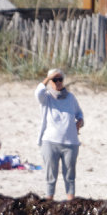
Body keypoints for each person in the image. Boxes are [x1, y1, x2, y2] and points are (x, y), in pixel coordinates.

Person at [35, 68, 84, 200]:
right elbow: (37, 92)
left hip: (71, 143)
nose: (57, 82)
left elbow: (79, 113)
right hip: (50, 142)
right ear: (50, 81)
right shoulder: (46, 97)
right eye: (54, 80)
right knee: (51, 175)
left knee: (70, 175)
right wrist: (48, 77)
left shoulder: (71, 97)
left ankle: (71, 202)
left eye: (60, 79)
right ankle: (49, 201)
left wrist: (80, 121)